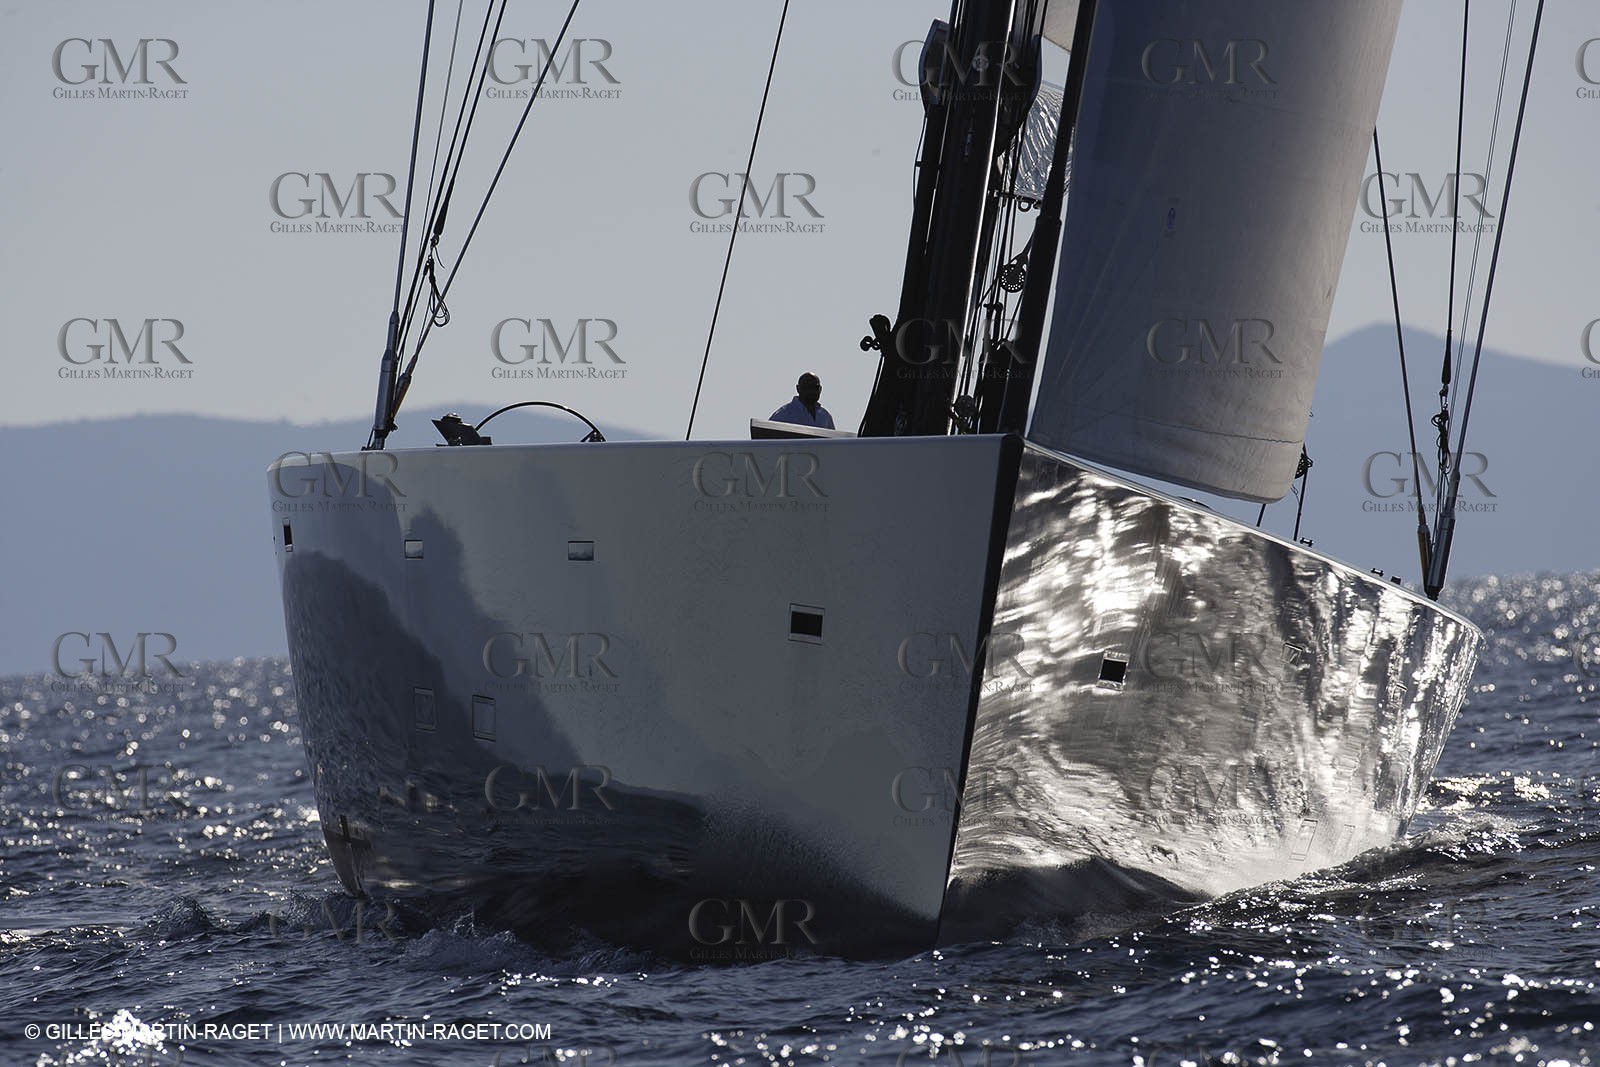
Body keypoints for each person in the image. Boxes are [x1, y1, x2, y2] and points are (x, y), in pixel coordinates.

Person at [770, 373, 835, 429]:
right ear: (798, 389)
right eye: (807, 387)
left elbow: (833, 442)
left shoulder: (825, 416)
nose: (811, 390)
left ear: (820, 389)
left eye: (815, 387)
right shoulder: (783, 415)